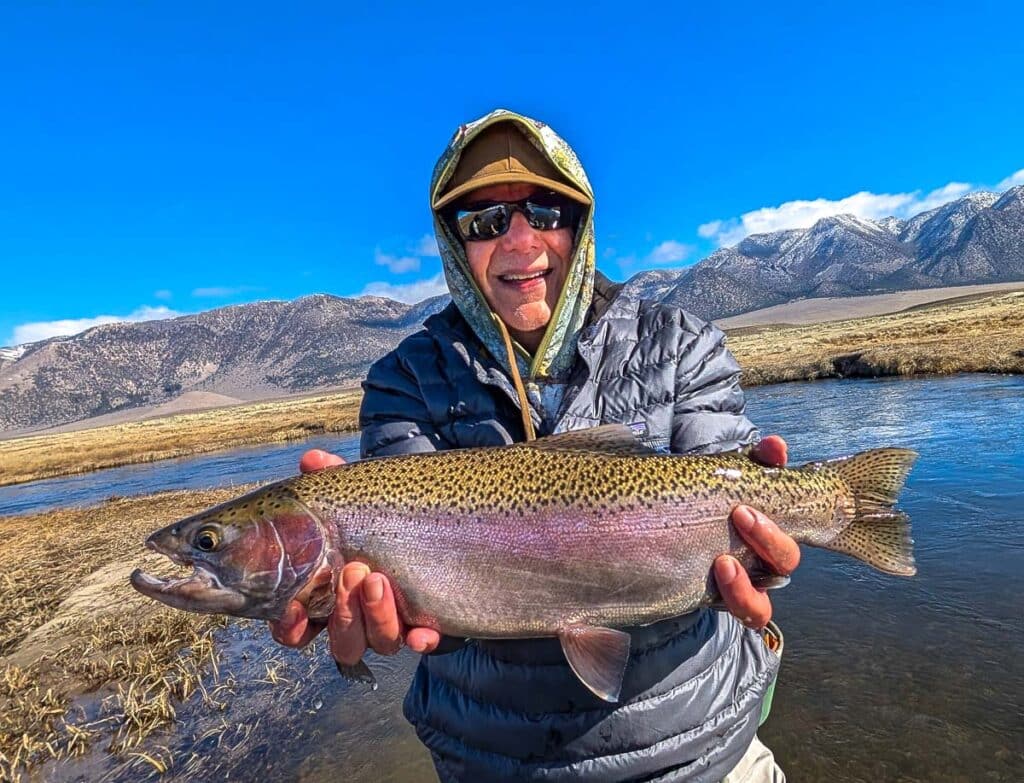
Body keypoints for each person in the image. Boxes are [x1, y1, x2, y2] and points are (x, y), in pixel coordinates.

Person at [271, 109, 799, 782]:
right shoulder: (404, 382)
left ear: (580, 225)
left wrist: (762, 565)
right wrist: (372, 614)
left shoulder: (681, 343)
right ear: (455, 243)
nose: (520, 241)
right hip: (492, 761)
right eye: (486, 221)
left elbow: (736, 510)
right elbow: (414, 589)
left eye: (546, 211)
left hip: (703, 747)